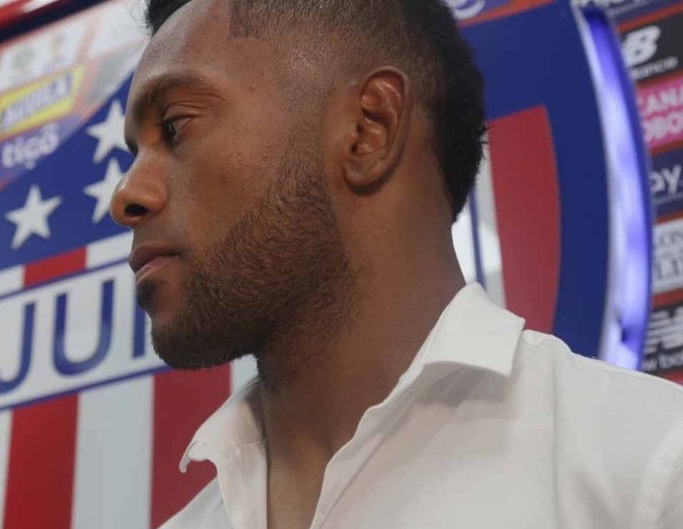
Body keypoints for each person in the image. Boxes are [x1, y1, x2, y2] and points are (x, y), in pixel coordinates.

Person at [109, 1, 683, 528]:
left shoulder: (651, 472)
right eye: (136, 152)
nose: (126, 195)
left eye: (175, 126)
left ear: (369, 130)